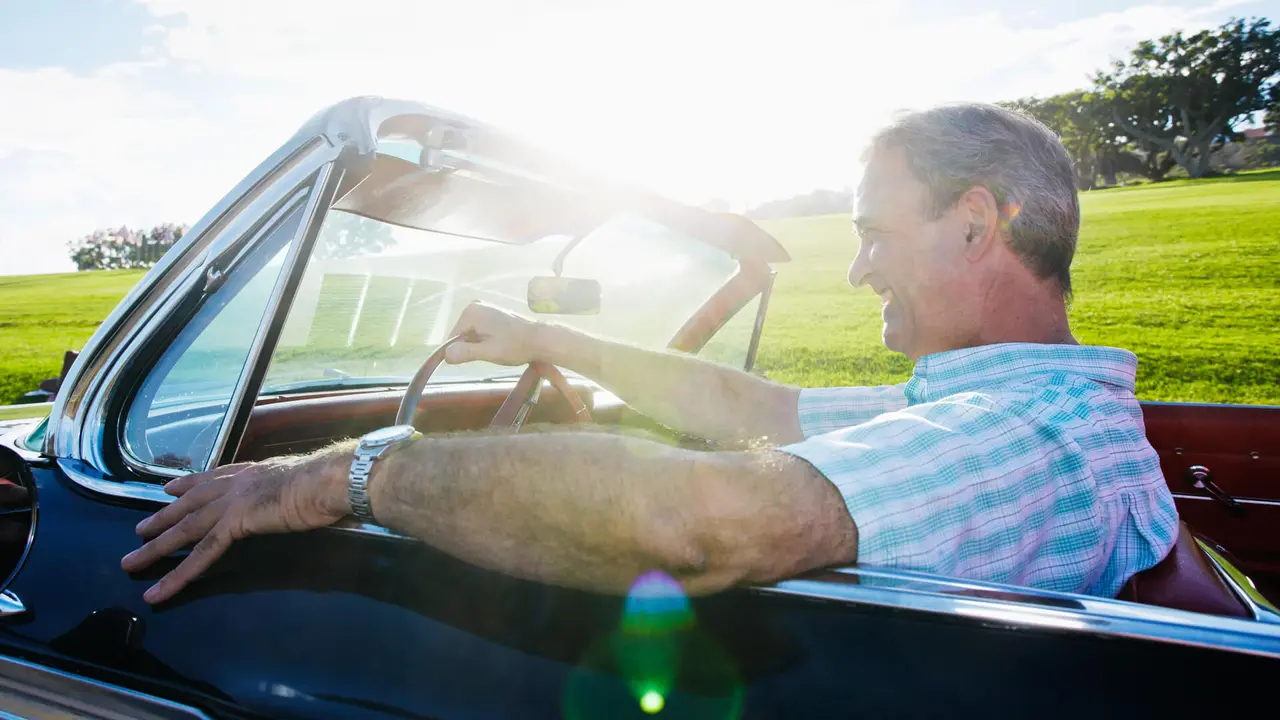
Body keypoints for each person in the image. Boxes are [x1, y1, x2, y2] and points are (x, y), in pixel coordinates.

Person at [121, 102, 1178, 606]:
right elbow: (757, 410)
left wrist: (342, 476)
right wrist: (546, 340)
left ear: (972, 224)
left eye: (871, 232)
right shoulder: (1028, 410)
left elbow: (697, 523)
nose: (858, 271)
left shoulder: (1009, 440)